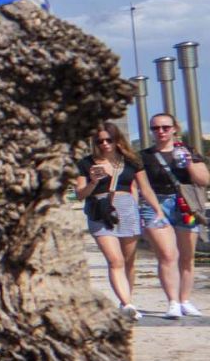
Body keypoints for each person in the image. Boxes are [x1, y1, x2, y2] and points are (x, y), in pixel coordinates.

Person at [74, 123, 163, 319]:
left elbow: (145, 188)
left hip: (127, 210)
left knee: (129, 261)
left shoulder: (131, 161)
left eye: (109, 140)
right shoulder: (86, 163)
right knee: (115, 261)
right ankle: (127, 303)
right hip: (100, 211)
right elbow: (80, 195)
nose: (105, 144)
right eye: (100, 141)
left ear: (117, 140)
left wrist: (158, 210)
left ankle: (127, 301)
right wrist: (93, 182)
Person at [139, 113, 209, 318]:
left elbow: (204, 180)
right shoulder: (144, 156)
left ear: (174, 129)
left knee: (187, 257)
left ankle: (185, 299)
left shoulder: (189, 152)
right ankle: (172, 302)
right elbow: (141, 186)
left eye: (165, 127)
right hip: (156, 205)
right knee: (168, 255)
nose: (160, 131)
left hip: (186, 205)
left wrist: (187, 162)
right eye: (156, 128)